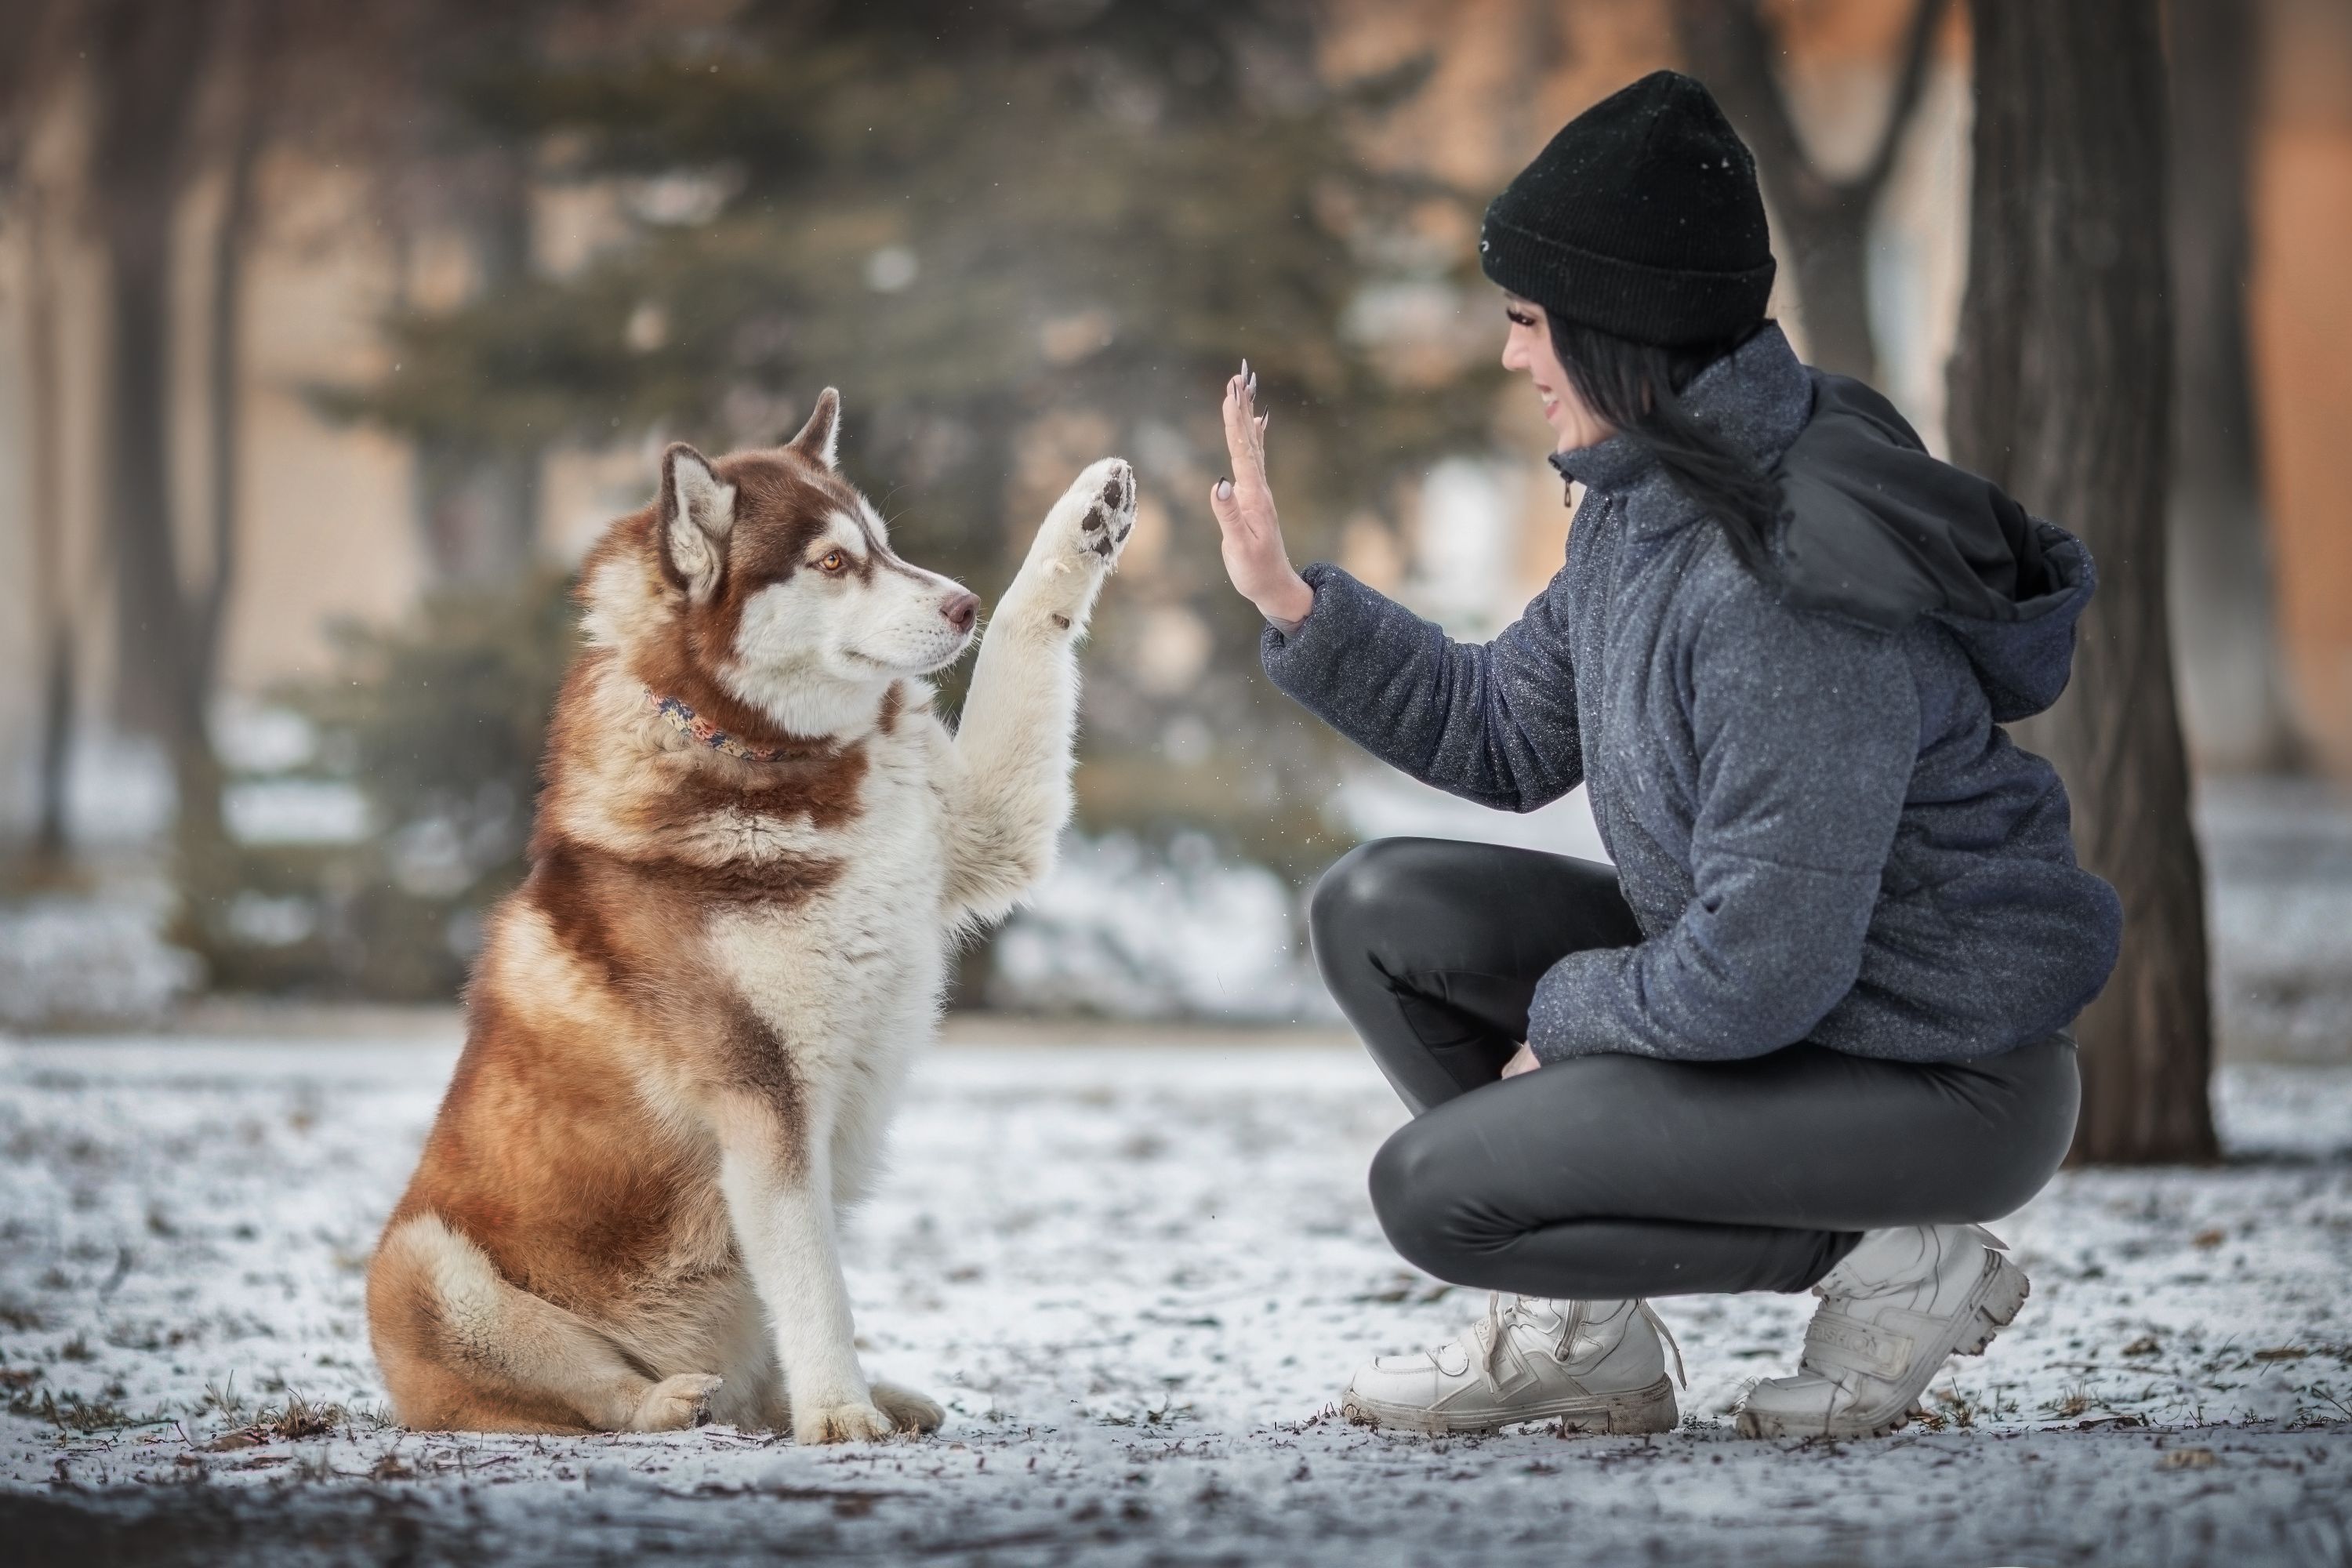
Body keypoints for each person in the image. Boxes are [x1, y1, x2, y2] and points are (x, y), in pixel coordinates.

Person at [1203, 70, 2120, 1439]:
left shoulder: (1785, 588)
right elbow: (1506, 730)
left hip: (1934, 1071)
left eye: (1527, 323)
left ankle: (1898, 1257)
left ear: (1618, 326)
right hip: (1802, 1015)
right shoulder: (1650, 500)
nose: (1512, 357)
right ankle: (1590, 1340)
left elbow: (1763, 967)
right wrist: (1296, 606)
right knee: (1378, 909)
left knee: (1440, 1192)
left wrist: (1563, 1026)